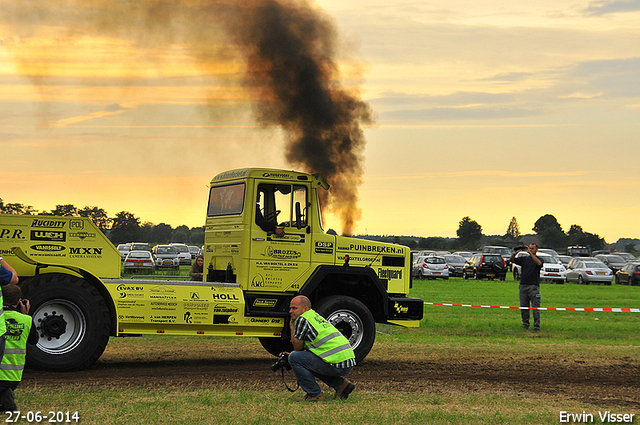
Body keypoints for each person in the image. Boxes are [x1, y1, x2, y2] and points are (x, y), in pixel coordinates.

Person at [284, 295, 356, 402]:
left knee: (294, 357)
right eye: (290, 308)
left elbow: (297, 348)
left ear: (305, 309)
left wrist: (291, 327)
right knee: (303, 361)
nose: (290, 311)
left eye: (294, 308)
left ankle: (314, 394)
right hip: (347, 361)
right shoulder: (314, 316)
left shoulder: (302, 319)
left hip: (337, 363)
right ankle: (342, 385)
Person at [0, 284, 38, 412]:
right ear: (18, 302)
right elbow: (33, 342)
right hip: (15, 376)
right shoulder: (27, 320)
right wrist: (25, 314)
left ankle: (8, 402)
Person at [510, 243, 543, 332]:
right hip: (523, 285)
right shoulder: (524, 259)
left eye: (532, 248)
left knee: (535, 306)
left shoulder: (539, 259)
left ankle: (536, 326)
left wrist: (531, 254)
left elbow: (538, 263)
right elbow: (512, 260)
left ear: (536, 250)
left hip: (534, 286)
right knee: (524, 306)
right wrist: (515, 253)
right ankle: (525, 324)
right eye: (530, 248)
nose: (531, 250)